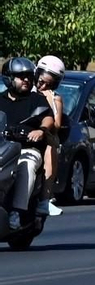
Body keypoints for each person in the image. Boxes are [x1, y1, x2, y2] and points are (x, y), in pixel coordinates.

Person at [0, 57, 53, 232]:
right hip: (3, 148)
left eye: (29, 76)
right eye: (21, 76)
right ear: (8, 78)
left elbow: (47, 117)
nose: (26, 80)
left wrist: (41, 130)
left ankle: (16, 211)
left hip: (27, 149)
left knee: (26, 166)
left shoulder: (36, 99)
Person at [33, 56, 65, 216]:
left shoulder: (55, 98)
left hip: (40, 137)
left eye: (49, 84)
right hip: (17, 133)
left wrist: (50, 102)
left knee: (51, 144)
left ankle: (45, 199)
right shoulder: (23, 90)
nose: (43, 86)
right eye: (41, 81)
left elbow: (57, 125)